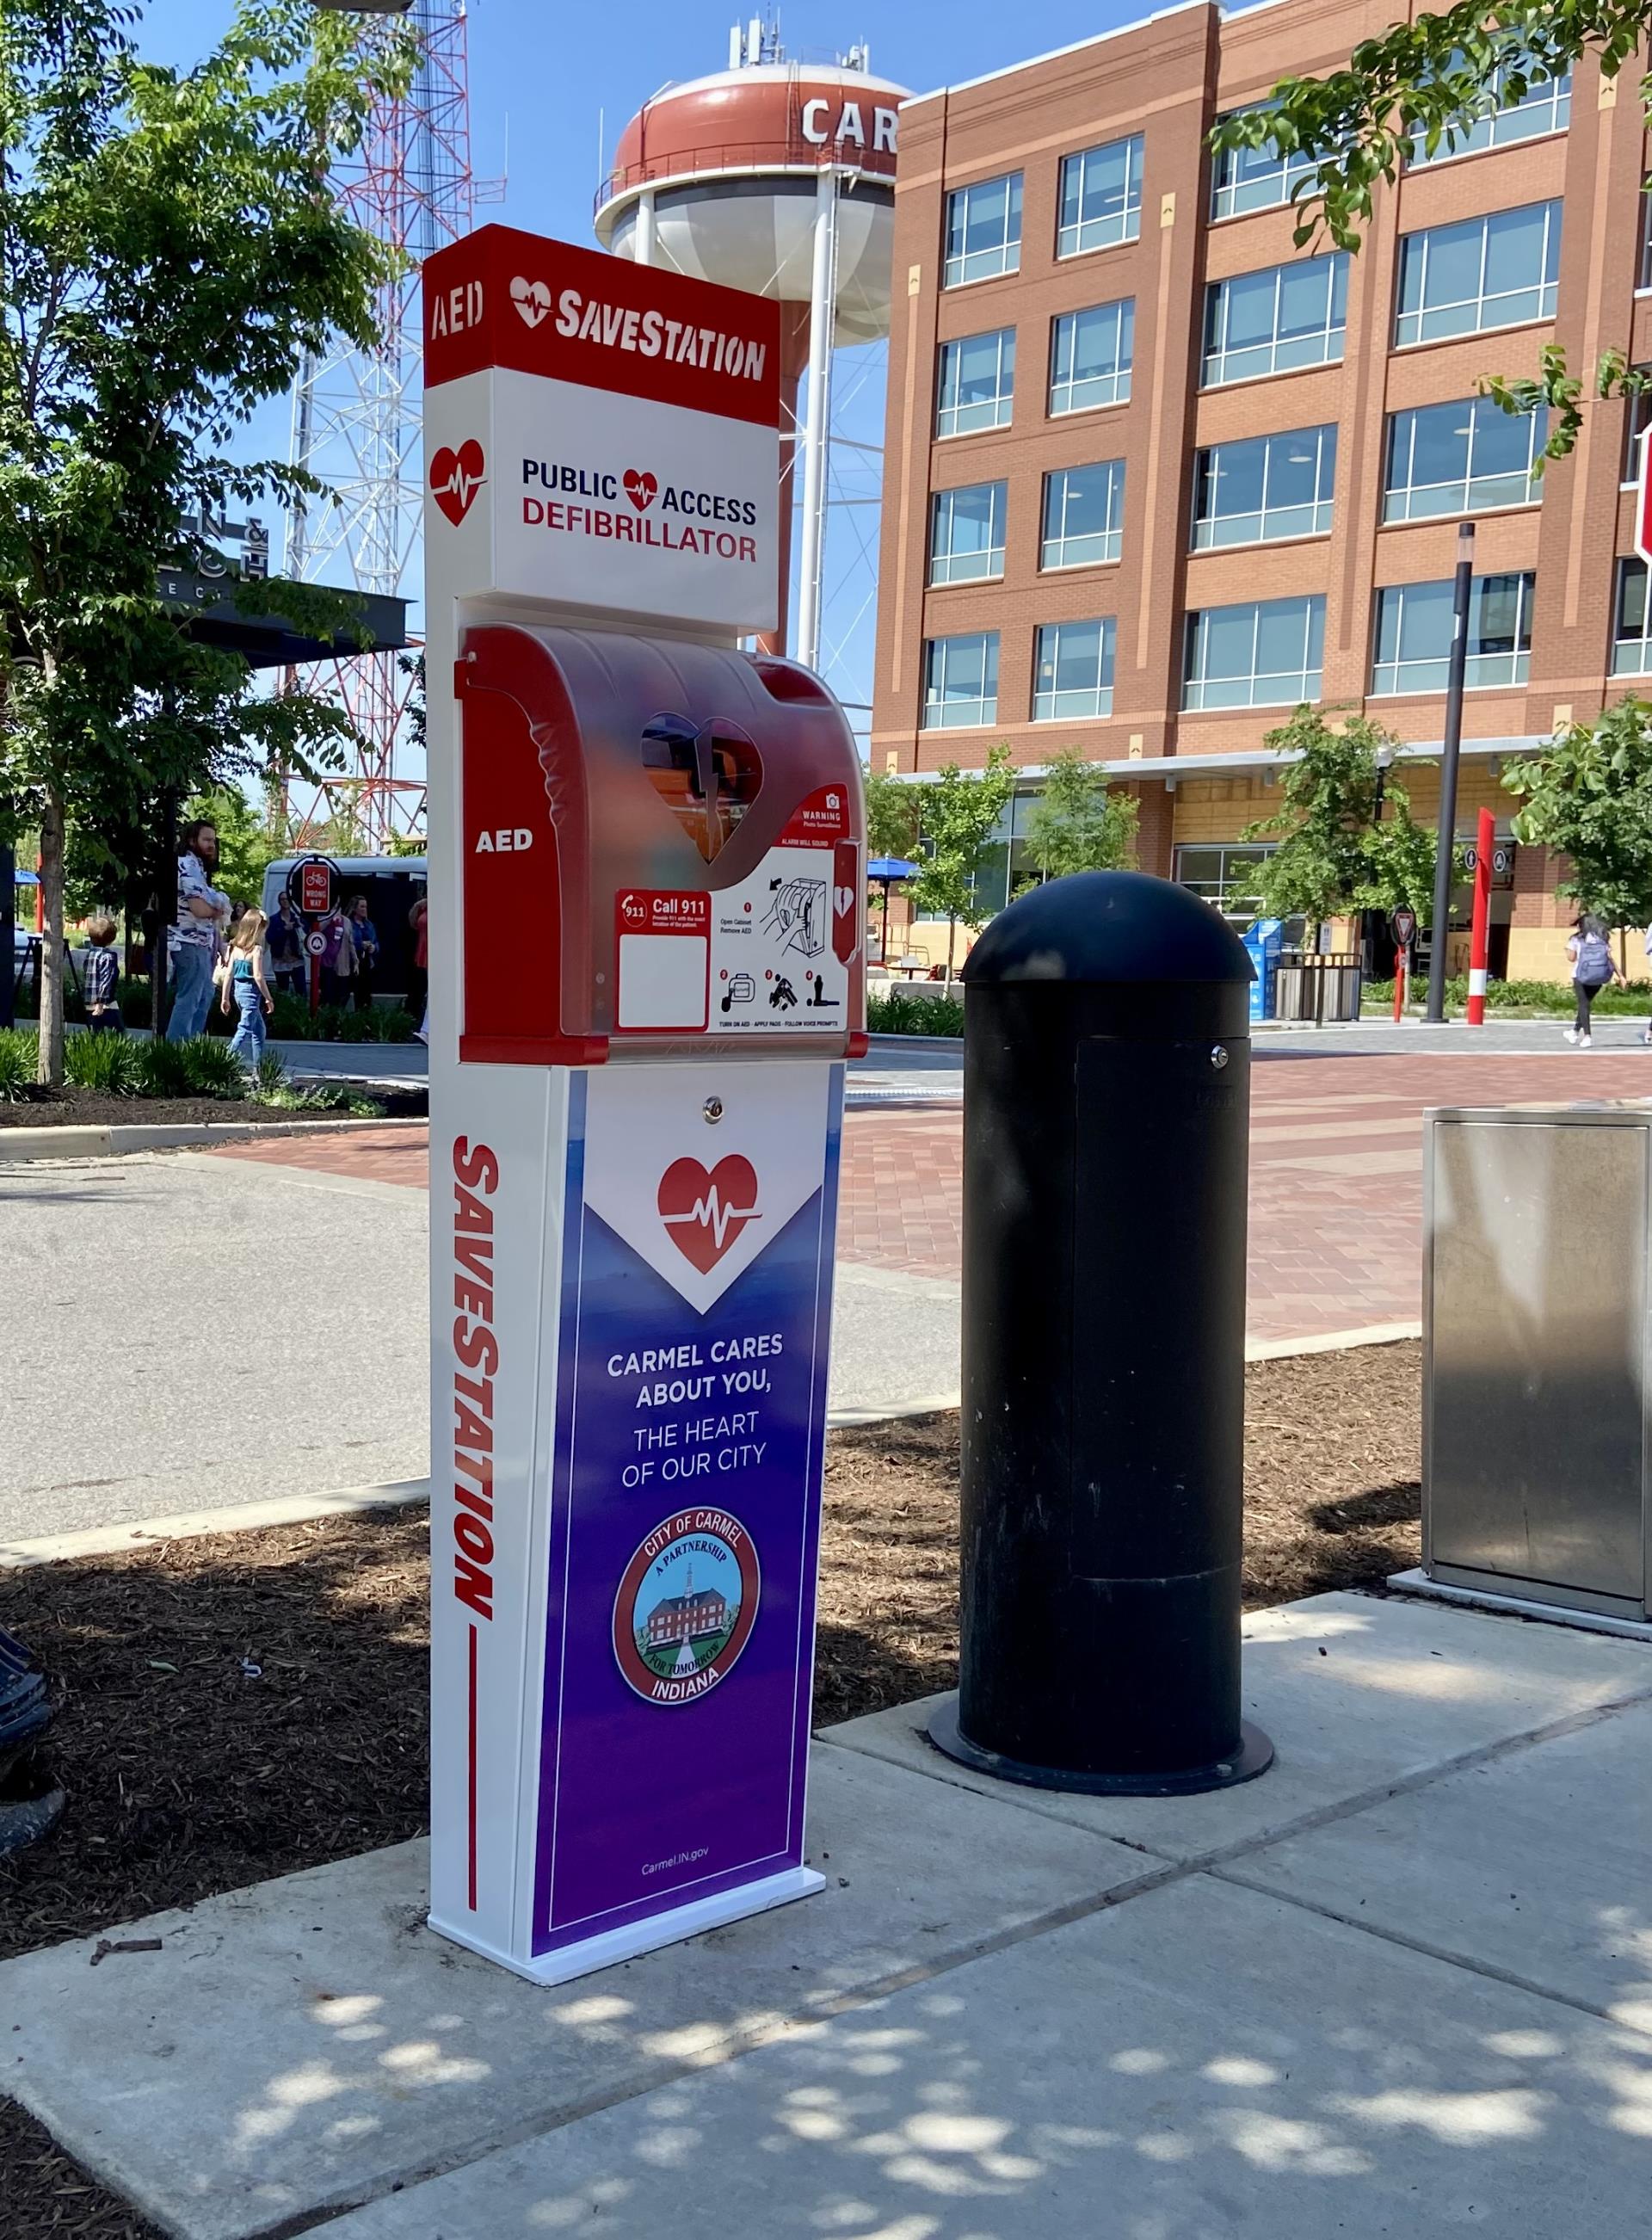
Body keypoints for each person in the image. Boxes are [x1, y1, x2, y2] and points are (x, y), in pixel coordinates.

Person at [166, 819, 231, 1041]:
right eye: (207, 840)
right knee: (191, 998)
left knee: (203, 996)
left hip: (199, 942)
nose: (212, 845)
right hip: (187, 940)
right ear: (192, 840)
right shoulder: (188, 865)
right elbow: (200, 908)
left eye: (213, 840)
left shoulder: (198, 868)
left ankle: (190, 1048)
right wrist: (217, 907)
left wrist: (214, 906)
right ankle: (177, 1051)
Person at [219, 907, 273, 1069]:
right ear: (257, 930)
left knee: (259, 1031)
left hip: (238, 991)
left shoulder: (235, 949)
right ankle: (224, 1060)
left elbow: (228, 974)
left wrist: (225, 997)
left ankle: (259, 1067)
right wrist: (268, 998)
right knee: (244, 1028)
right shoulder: (256, 950)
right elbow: (258, 976)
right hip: (251, 993)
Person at [1564, 913, 1621, 1048]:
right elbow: (1610, 958)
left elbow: (1571, 958)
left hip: (1580, 976)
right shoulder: (1603, 938)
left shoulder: (1577, 938)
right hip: (1599, 976)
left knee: (1583, 1005)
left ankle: (1587, 1036)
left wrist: (1567, 951)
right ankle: (1574, 1031)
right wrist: (1621, 976)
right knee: (1585, 1005)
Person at [83, 916, 122, 1034]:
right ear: (111, 939)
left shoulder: (90, 955)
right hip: (106, 1005)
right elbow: (107, 980)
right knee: (118, 1032)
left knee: (96, 1033)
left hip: (89, 1002)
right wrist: (101, 1002)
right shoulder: (108, 957)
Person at [266, 891, 307, 998]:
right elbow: (270, 939)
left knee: (301, 991)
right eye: (282, 899)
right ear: (279, 902)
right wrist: (284, 930)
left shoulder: (297, 918)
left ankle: (300, 1013)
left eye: (287, 899)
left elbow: (306, 934)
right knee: (282, 991)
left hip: (296, 959)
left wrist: (299, 925)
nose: (285, 901)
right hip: (280, 960)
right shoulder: (273, 920)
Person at [346, 895, 379, 1012]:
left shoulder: (369, 925)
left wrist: (374, 948)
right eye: (362, 906)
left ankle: (366, 1019)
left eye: (366, 906)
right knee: (356, 993)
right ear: (355, 909)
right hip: (353, 963)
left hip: (367, 963)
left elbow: (376, 942)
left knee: (367, 994)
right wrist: (360, 945)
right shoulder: (348, 924)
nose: (365, 909)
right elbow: (346, 942)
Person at [319, 906, 356, 1009]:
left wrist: (355, 961)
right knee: (328, 995)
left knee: (343, 994)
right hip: (327, 964)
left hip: (343, 964)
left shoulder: (347, 921)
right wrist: (329, 920)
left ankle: (338, 1016)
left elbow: (351, 941)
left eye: (337, 908)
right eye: (333, 908)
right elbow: (316, 930)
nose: (335, 910)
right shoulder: (324, 919)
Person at [407, 892, 428, 1024]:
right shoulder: (424, 906)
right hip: (423, 950)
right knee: (422, 987)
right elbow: (413, 923)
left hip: (433, 949)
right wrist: (416, 906)